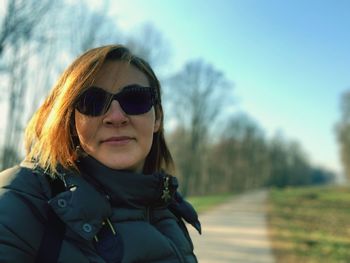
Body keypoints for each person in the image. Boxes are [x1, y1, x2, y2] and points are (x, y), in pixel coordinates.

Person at [0, 45, 201, 263]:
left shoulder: (167, 207)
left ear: (158, 118)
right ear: (72, 120)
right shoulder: (21, 200)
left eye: (135, 99)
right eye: (93, 102)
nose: (116, 117)